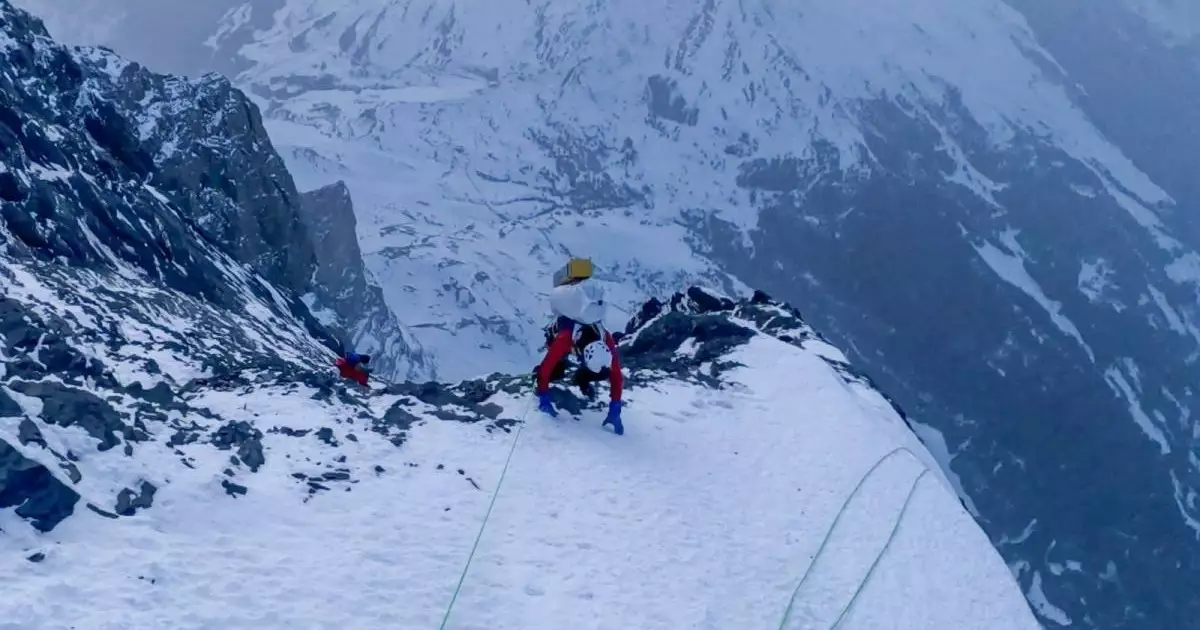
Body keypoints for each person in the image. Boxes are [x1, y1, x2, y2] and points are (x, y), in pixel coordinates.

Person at [534, 258, 624, 434]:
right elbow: (545, 368)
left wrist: (615, 408)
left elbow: (616, 375)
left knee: (583, 370)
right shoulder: (567, 339)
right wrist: (543, 394)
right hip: (567, 325)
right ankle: (577, 379)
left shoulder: (604, 339)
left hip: (579, 319)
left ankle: (581, 379)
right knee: (556, 369)